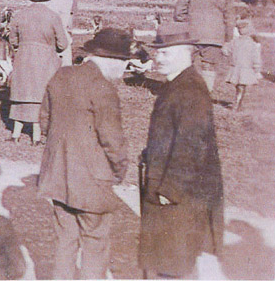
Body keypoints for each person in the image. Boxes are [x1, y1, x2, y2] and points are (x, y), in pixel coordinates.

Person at [38, 28, 130, 279]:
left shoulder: (61, 75)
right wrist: (119, 171)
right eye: (124, 64)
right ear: (113, 61)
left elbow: (44, 121)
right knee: (95, 244)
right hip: (93, 182)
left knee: (65, 241)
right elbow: (113, 141)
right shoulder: (103, 88)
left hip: (58, 175)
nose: (123, 72)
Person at [139, 22, 224, 279]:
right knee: (169, 260)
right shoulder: (176, 83)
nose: (157, 58)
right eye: (157, 52)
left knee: (174, 264)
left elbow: (192, 144)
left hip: (179, 195)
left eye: (165, 52)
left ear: (186, 52)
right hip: (171, 190)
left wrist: (170, 189)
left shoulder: (190, 90)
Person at [7, 0, 67, 144]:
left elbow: (13, 40)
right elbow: (63, 44)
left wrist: (23, 48)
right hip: (45, 60)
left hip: (24, 58)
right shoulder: (53, 16)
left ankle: (16, 134)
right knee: (39, 97)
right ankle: (36, 137)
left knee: (23, 94)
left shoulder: (19, 15)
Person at [173, 0, 235, 93]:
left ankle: (183, 93)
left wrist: (186, 24)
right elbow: (230, 17)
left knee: (185, 64)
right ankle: (205, 96)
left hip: (191, 33)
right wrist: (228, 38)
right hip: (215, 35)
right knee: (209, 66)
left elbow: (179, 12)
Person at [224, 17, 263, 111]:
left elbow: (256, 57)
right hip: (237, 67)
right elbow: (227, 49)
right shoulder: (235, 41)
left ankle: (237, 104)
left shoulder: (252, 43)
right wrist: (225, 49)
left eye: (243, 28)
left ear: (249, 29)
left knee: (241, 86)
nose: (241, 30)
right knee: (238, 86)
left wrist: (256, 68)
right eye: (239, 28)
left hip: (246, 68)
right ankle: (238, 102)